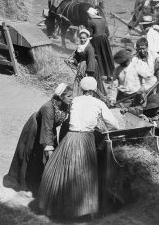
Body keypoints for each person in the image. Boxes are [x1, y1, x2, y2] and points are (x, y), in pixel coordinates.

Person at [38, 77, 119, 219]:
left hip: (70, 137)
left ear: (81, 89)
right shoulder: (98, 102)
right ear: (94, 90)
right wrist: (102, 130)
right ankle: (81, 211)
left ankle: (56, 206)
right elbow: (113, 124)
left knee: (62, 170)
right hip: (86, 139)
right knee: (84, 172)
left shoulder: (74, 100)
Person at [3, 84, 73, 196]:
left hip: (49, 129)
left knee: (43, 158)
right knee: (31, 155)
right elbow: (46, 129)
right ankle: (26, 186)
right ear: (60, 97)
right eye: (69, 96)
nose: (71, 98)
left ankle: (39, 184)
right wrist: (49, 149)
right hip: (35, 129)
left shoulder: (66, 105)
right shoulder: (48, 108)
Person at [124, 91, 159, 185]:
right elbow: (140, 112)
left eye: (152, 109)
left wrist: (149, 121)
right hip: (158, 145)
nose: (151, 111)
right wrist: (128, 110)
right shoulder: (155, 112)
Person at [69, 28, 105, 96]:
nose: (82, 40)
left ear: (88, 38)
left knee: (89, 83)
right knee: (80, 81)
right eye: (81, 38)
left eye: (84, 38)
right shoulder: (80, 47)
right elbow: (77, 57)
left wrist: (89, 73)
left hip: (89, 67)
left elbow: (91, 60)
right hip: (82, 67)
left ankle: (93, 95)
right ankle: (79, 95)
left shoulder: (89, 48)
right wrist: (72, 60)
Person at [87, 7, 115, 79]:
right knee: (106, 55)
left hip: (96, 40)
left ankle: (99, 73)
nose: (88, 15)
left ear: (91, 14)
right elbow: (105, 30)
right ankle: (109, 73)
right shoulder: (102, 19)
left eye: (88, 14)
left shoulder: (90, 21)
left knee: (97, 56)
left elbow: (89, 33)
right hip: (104, 39)